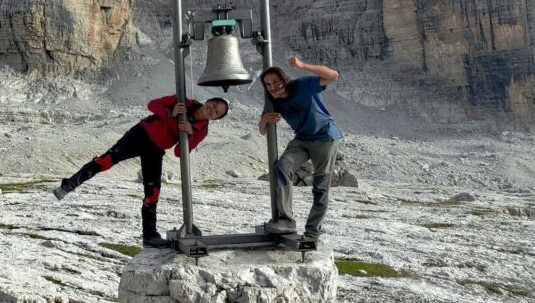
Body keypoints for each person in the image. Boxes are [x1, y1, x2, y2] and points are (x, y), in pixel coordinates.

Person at [54, 94, 229, 247]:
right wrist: (170, 112)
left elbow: (178, 153)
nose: (212, 110)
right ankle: (68, 186)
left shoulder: (202, 130)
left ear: (215, 119)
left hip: (156, 150)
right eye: (214, 105)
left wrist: (189, 135)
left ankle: (150, 236)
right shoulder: (183, 101)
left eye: (217, 113)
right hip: (140, 135)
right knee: (105, 161)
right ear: (209, 101)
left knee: (153, 193)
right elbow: (152, 104)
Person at [258, 56, 343, 239]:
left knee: (320, 187)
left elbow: (333, 75)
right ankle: (286, 220)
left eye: (276, 82)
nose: (273, 87)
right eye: (268, 84)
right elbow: (263, 130)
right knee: (282, 167)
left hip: (325, 138)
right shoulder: (273, 101)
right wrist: (264, 120)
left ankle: (312, 232)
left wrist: (302, 65)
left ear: (284, 80)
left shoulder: (303, 85)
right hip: (302, 140)